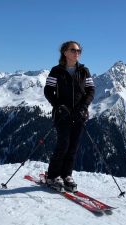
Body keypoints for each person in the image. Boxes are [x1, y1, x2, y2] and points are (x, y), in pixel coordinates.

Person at [44, 41, 95, 192]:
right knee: (63, 144)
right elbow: (48, 91)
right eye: (73, 50)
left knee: (73, 146)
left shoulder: (84, 71)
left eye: (79, 50)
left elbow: (91, 90)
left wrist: (84, 106)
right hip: (62, 114)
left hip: (79, 114)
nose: (77, 53)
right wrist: (58, 106)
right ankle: (53, 175)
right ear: (65, 52)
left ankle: (67, 175)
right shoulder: (56, 71)